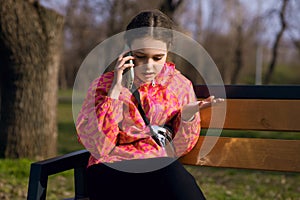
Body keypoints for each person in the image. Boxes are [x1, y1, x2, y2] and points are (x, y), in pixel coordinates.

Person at [76, 9, 223, 200]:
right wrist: (113, 93)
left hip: (158, 169)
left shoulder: (179, 86)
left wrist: (187, 117)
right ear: (128, 49)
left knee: (172, 176)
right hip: (110, 170)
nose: (149, 65)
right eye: (140, 56)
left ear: (168, 50)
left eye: (157, 58)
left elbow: (178, 150)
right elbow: (98, 147)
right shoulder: (102, 86)